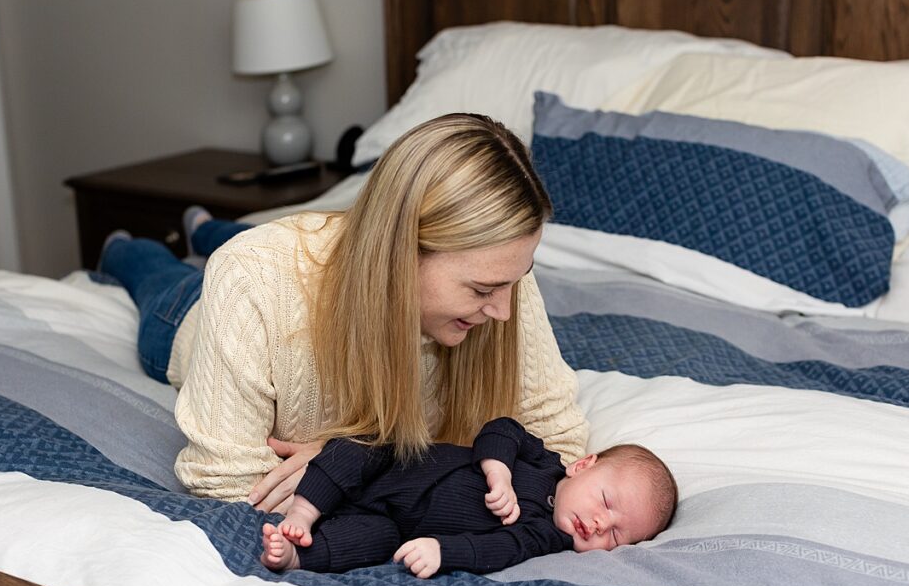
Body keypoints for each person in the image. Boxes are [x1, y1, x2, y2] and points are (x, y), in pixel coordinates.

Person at [98, 113, 589, 513]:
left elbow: (560, 448)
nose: (503, 311)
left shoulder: (503, 275)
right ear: (401, 253)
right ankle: (129, 245)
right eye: (483, 288)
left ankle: (205, 227)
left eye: (515, 282)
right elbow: (225, 484)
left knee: (234, 240)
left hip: (304, 258)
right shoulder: (249, 276)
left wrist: (356, 464)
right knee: (155, 275)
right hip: (185, 320)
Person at [259, 417, 677, 577]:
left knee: (373, 542)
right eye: (605, 501)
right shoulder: (543, 461)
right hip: (397, 464)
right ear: (583, 465)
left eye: (618, 537)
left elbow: (495, 549)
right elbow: (503, 428)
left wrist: (443, 551)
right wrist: (499, 471)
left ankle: (296, 556)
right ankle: (302, 512)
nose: (602, 524)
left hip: (395, 522)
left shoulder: (543, 536)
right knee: (358, 447)